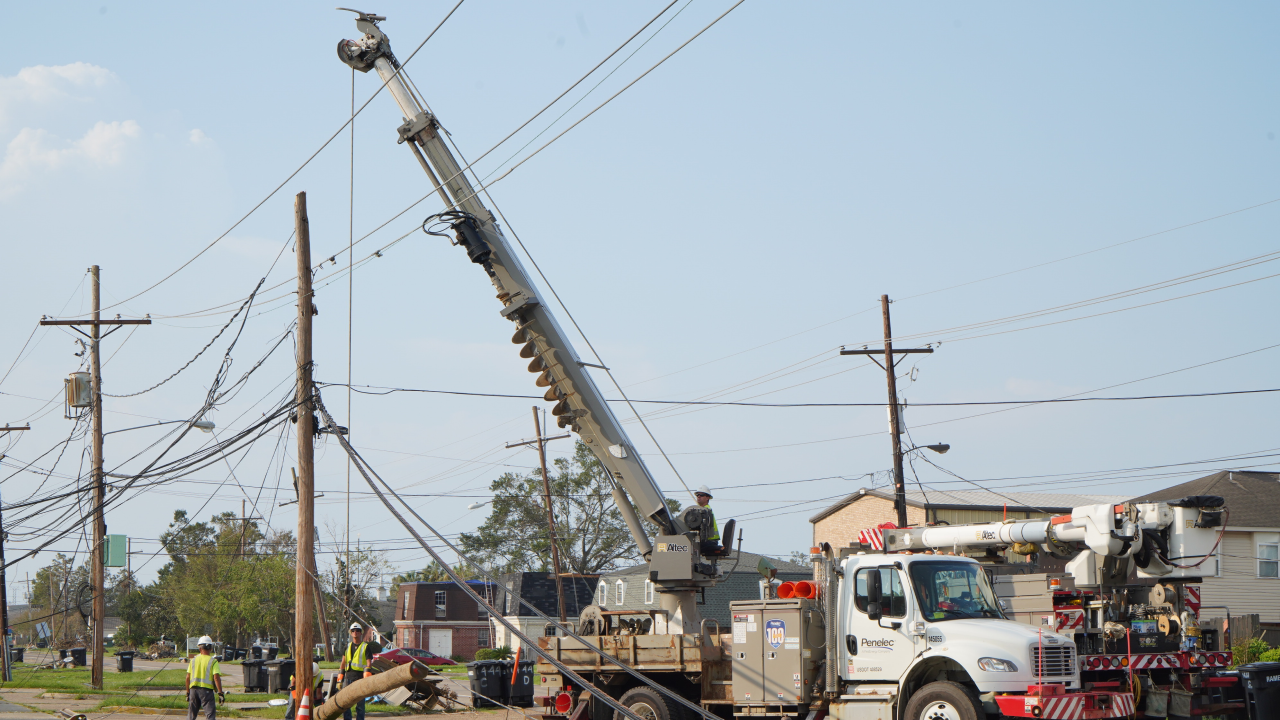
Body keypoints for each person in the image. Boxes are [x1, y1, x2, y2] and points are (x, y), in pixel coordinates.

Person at [340, 622, 381, 720]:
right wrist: (340, 677)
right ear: (351, 632)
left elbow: (368, 663)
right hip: (348, 677)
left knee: (360, 705)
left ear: (361, 633)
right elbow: (343, 662)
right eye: (353, 631)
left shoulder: (365, 646)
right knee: (346, 703)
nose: (355, 632)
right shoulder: (347, 646)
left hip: (360, 678)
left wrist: (366, 678)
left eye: (357, 631)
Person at [185, 636, 224, 720]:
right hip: (206, 692)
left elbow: (187, 677)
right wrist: (220, 693)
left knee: (191, 716)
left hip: (193, 691)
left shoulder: (193, 661)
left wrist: (188, 692)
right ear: (211, 648)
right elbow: (216, 678)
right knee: (210, 716)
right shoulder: (213, 661)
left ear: (200, 648)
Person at [682, 486, 727, 557]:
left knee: (686, 547)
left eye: (701, 495)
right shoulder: (699, 510)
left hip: (710, 542)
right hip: (707, 542)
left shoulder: (705, 511)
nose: (699, 496)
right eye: (697, 495)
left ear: (707, 497)